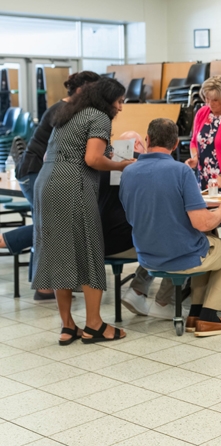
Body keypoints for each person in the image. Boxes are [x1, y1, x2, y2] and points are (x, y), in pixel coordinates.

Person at [31, 78, 135, 345]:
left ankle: (68, 327)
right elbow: (91, 159)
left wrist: (110, 152)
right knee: (89, 250)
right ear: (107, 99)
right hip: (72, 185)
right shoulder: (100, 117)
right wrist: (121, 166)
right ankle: (94, 325)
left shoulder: (68, 113)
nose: (121, 108)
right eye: (120, 101)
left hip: (46, 183)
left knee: (59, 252)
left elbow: (68, 150)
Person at [120, 118, 221, 337]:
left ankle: (195, 314)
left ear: (147, 140)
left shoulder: (128, 172)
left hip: (146, 257)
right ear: (176, 144)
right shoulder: (180, 172)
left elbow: (132, 215)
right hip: (181, 256)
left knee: (206, 242)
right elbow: (202, 222)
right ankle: (210, 316)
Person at [1, 71, 100, 300]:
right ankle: (44, 285)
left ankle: (49, 283)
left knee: (50, 224)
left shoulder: (71, 109)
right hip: (34, 171)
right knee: (50, 225)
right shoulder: (63, 110)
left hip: (39, 171)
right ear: (81, 89)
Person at [103, 131, 181, 320]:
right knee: (175, 238)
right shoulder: (142, 168)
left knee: (154, 233)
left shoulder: (102, 166)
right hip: (122, 243)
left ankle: (138, 291)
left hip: (97, 241)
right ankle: (164, 301)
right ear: (138, 144)